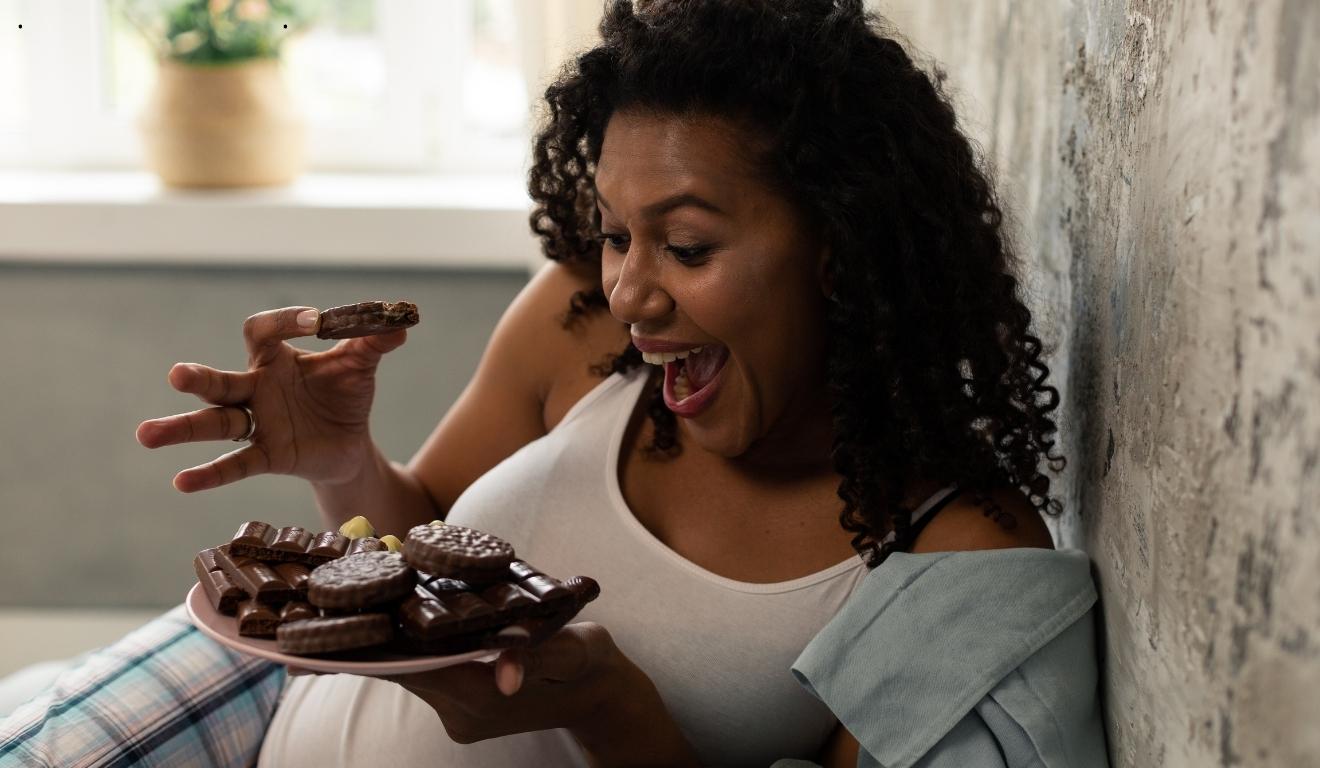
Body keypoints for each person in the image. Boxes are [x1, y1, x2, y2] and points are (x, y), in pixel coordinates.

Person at [7, 1, 1108, 766]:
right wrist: (347, 465)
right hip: (255, 698)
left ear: (845, 245)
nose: (631, 291)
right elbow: (414, 549)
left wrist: (620, 720)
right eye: (618, 234)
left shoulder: (950, 554)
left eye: (685, 246)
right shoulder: (581, 323)